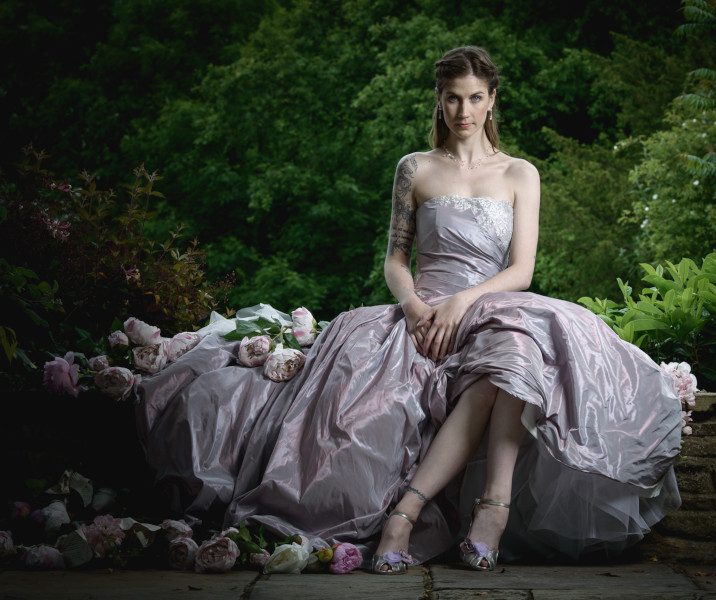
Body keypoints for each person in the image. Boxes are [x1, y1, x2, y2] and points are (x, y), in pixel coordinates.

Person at [135, 46, 684, 574]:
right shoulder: (415, 167)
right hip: (423, 310)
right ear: (438, 100)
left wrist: (465, 302)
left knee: (517, 348)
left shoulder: (520, 173)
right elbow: (395, 258)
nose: (462, 111)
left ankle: (440, 513)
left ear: (492, 99)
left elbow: (521, 270)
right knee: (495, 361)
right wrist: (419, 308)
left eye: (473, 98)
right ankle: (456, 516)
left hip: (492, 304)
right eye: (451, 98)